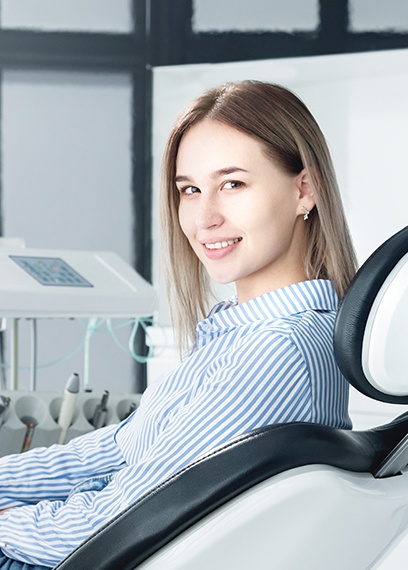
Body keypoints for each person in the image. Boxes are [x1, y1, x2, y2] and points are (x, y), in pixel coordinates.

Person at [0, 80, 357, 569]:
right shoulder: (247, 335)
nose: (204, 217)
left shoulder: (278, 352)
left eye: (232, 183)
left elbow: (120, 519)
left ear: (304, 189)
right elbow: (113, 450)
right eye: (190, 190)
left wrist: (6, 522)